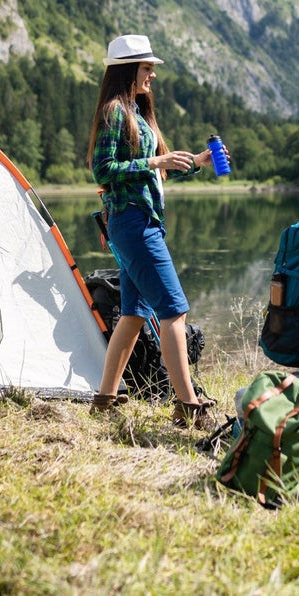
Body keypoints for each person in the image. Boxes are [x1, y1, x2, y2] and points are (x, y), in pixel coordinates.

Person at [87, 34, 218, 431]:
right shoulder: (115, 112)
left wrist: (193, 162)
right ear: (128, 70)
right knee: (174, 311)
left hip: (137, 221)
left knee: (132, 314)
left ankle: (105, 398)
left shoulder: (137, 113)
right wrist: (156, 158)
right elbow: (102, 170)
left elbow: (152, 175)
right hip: (134, 224)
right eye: (147, 67)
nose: (153, 74)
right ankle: (188, 405)